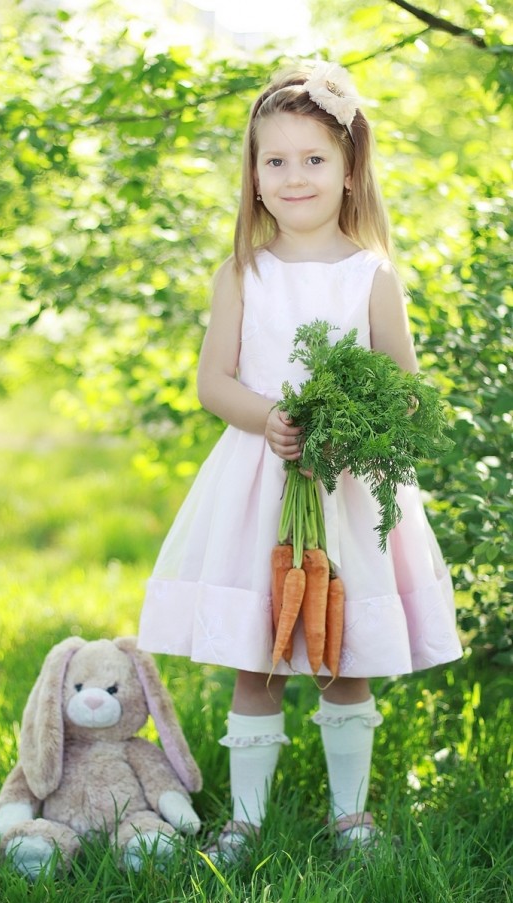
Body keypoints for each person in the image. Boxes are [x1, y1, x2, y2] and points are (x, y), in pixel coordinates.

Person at [137, 61, 462, 861]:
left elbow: (405, 388)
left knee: (339, 649)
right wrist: (270, 417)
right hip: (259, 480)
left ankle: (351, 814)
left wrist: (359, 429)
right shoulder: (241, 273)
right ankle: (246, 817)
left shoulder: (371, 275)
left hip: (349, 488)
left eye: (313, 159)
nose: (293, 176)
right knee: (263, 652)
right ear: (252, 176)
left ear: (350, 171)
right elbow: (215, 381)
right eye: (274, 160)